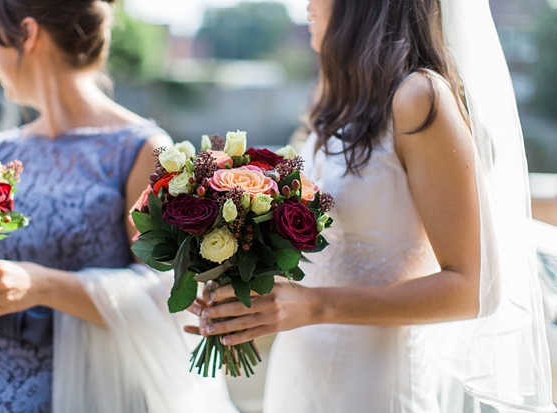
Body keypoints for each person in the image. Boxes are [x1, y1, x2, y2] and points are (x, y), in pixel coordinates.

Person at [192, 0, 554, 412]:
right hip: (297, 371)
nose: (306, 4)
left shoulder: (419, 98)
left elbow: (474, 290)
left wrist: (313, 304)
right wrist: (232, 289)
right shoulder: (330, 105)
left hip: (376, 386)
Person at [0, 1, 238, 412]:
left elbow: (168, 298)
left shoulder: (143, 149)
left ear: (28, 33)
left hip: (87, 391)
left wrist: (42, 285)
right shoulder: (3, 150)